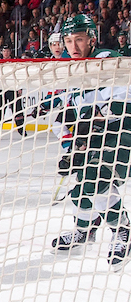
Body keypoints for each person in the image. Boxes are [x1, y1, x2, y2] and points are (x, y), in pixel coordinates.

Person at [43, 13, 131, 265]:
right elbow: (68, 115)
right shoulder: (74, 72)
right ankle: (85, 229)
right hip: (98, 138)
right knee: (80, 190)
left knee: (94, 180)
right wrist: (70, 147)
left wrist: (95, 116)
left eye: (79, 40)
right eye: (68, 41)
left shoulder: (108, 61)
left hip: (123, 133)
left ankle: (122, 229)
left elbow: (122, 103)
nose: (73, 47)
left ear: (92, 39)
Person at [0, 45, 26, 138]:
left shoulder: (15, 62)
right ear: (2, 52)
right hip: (1, 88)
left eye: (7, 51)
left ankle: (21, 129)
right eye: (4, 51)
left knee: (17, 109)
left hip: (13, 88)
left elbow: (19, 75)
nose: (6, 53)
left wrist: (20, 87)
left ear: (10, 52)